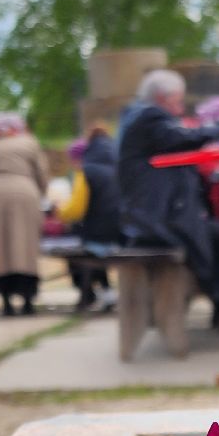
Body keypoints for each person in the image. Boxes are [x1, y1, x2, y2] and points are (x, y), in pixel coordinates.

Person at [117, 69, 219, 349]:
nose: (181, 109)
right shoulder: (150, 117)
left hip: (150, 220)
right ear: (161, 98)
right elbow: (186, 137)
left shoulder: (138, 118)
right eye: (178, 102)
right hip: (160, 224)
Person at [0, 112, 48, 316]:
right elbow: (41, 173)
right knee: (24, 247)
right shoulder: (28, 142)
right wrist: (41, 193)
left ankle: (5, 301)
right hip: (23, 192)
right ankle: (28, 300)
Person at [63, 124, 120, 312]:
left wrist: (58, 212)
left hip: (98, 237)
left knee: (76, 251)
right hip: (124, 236)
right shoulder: (121, 168)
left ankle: (87, 295)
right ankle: (106, 292)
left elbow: (75, 211)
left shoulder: (86, 171)